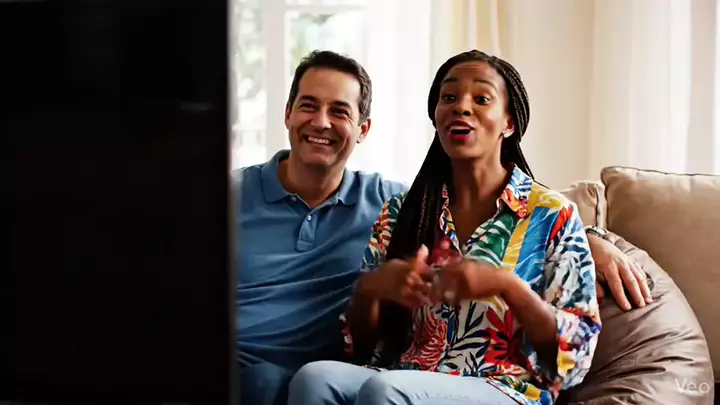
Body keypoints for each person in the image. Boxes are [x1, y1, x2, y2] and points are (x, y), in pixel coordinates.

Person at [235, 50, 653, 405]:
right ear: (436, 117)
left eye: (481, 98)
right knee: (315, 377)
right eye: (449, 97)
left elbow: (573, 359)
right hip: (407, 374)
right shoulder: (402, 210)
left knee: (386, 389)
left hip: (503, 388)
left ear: (509, 122)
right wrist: (373, 288)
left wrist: (507, 286)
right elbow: (359, 347)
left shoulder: (551, 214)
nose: (461, 107)